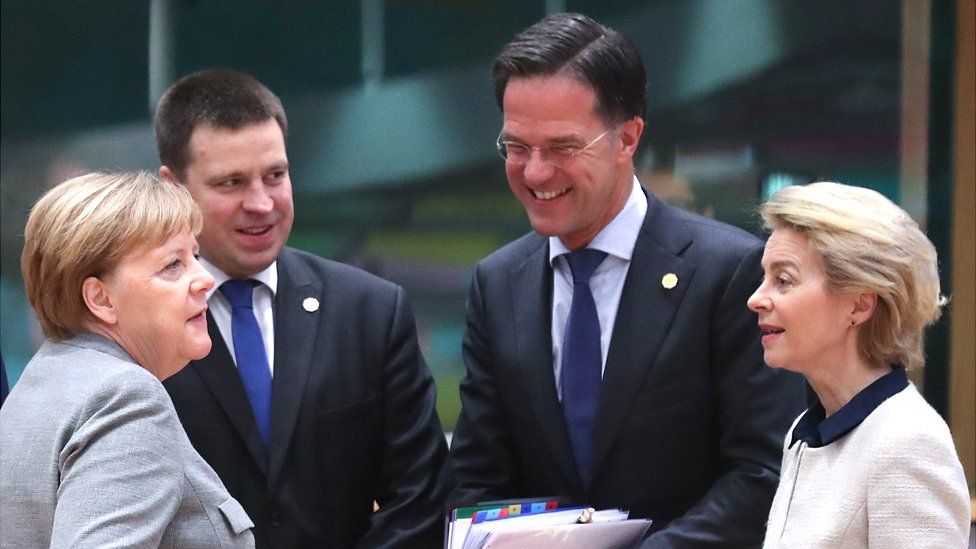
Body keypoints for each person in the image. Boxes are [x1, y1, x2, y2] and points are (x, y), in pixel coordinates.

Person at [449, 12, 807, 546]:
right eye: (517, 147)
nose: (534, 172)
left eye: (563, 148)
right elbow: (478, 477)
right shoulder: (498, 284)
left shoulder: (728, 273)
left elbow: (764, 471)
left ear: (627, 138)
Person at [153, 69, 449, 548]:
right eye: (231, 182)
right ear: (174, 187)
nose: (262, 203)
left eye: (276, 175)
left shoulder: (370, 312)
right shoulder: (137, 328)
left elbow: (419, 501)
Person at [0, 172, 254, 547]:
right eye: (173, 265)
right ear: (101, 299)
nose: (205, 279)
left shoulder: (39, 383)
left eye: (195, 256)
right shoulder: (126, 397)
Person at [748, 182, 970, 547]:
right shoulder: (804, 432)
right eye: (765, 278)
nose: (756, 299)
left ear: (860, 305)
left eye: (783, 280)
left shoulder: (906, 442)